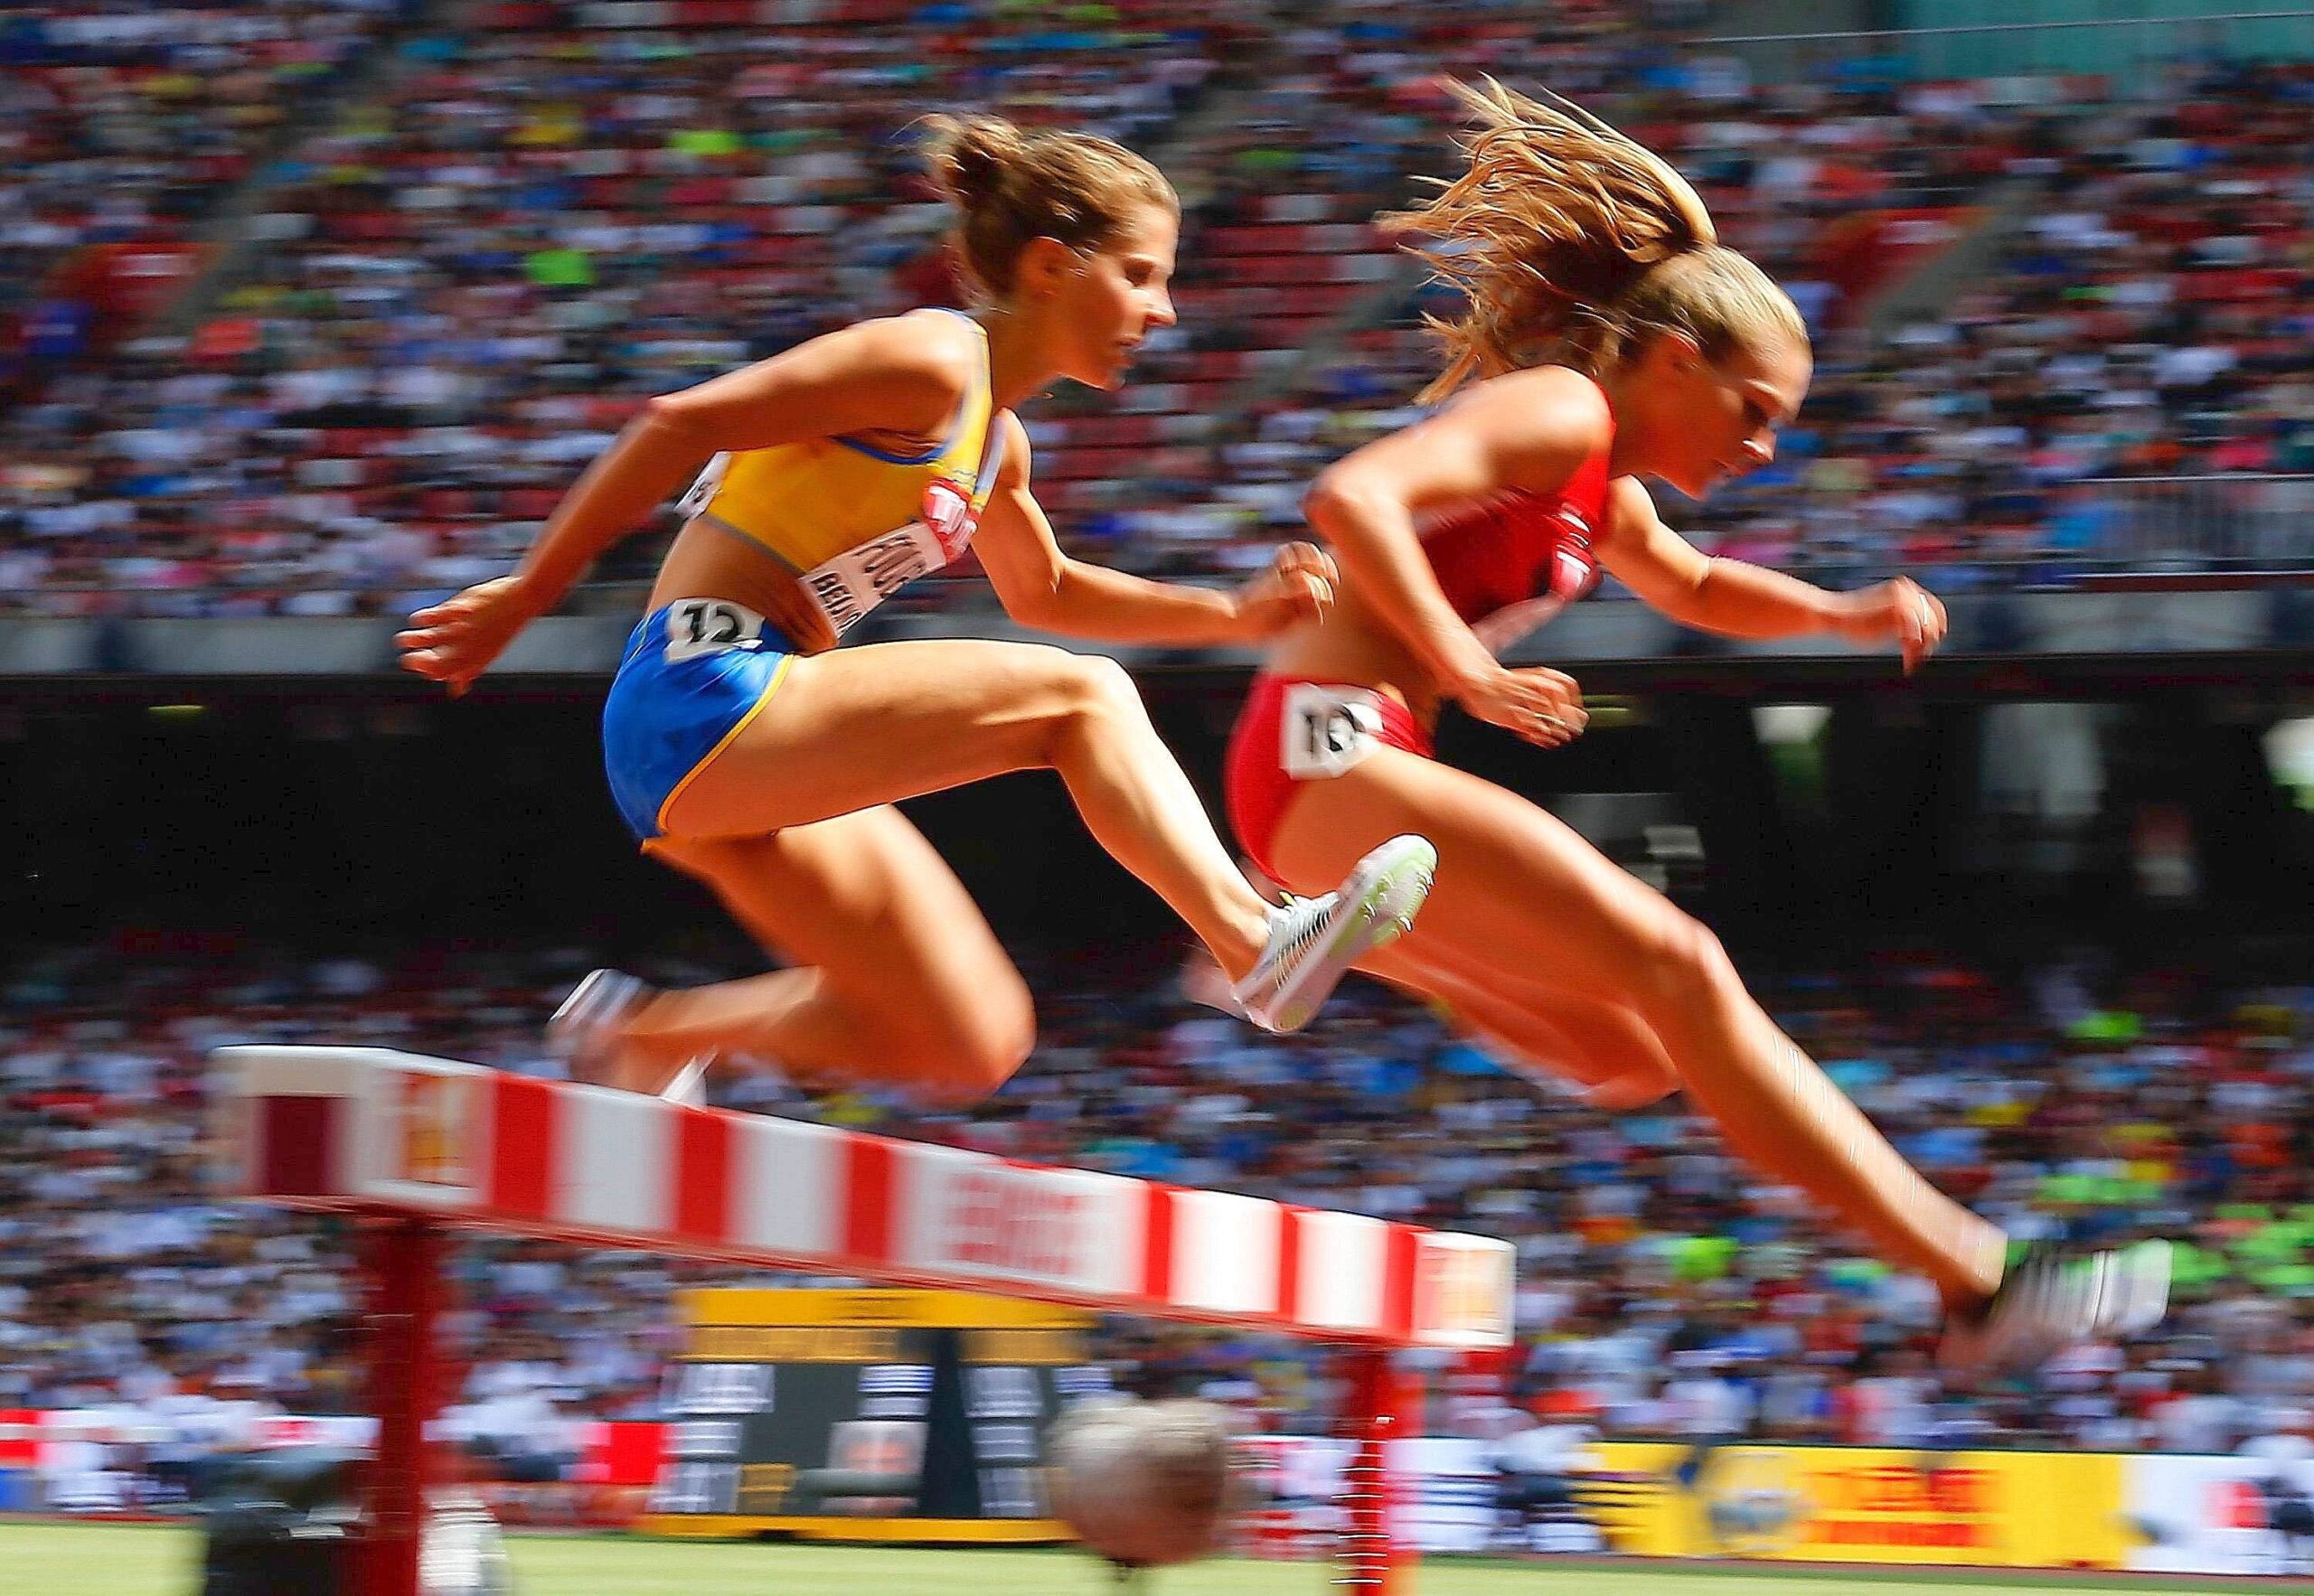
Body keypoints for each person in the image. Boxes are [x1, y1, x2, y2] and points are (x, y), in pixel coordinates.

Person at [1220, 80, 2168, 1370]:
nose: (1765, 451)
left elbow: (1696, 585)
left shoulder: (1605, 490)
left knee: (1627, 1055)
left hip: (1347, 785)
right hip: (1329, 743)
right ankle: (1976, 1274)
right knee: (1687, 966)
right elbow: (1352, 497)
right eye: (1756, 413)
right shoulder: (1560, 411)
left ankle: (1315, 943)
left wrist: (1842, 613)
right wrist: (1466, 667)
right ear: (1676, 360)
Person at [395, 113, 1436, 1106]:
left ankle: (649, 1032)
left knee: (969, 1035)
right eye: (1141, 276)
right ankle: (1251, 941)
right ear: (1048, 264)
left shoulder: (996, 442)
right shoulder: (930, 359)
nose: (1164, 312)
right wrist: (528, 593)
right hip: (703, 694)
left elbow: (1047, 591)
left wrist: (1233, 614)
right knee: (1082, 701)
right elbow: (676, 423)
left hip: (754, 746)